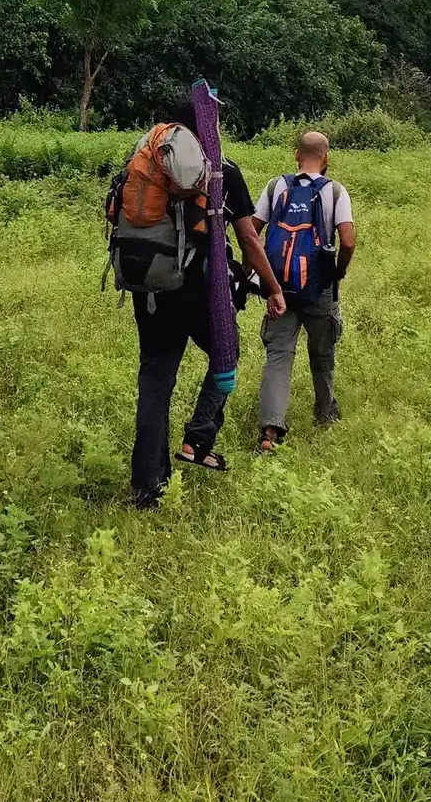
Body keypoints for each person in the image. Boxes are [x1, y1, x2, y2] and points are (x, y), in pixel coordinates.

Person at [131, 99, 285, 508]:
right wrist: (273, 288)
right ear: (207, 126)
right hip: (200, 292)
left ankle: (148, 487)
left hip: (149, 291)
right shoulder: (222, 172)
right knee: (227, 355)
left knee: (155, 382)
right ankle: (198, 438)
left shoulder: (144, 165)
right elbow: (250, 239)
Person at [253, 130, 355, 449]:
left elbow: (251, 234)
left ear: (296, 155)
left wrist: (265, 281)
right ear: (326, 158)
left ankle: (271, 430)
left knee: (279, 355)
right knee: (323, 351)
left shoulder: (275, 186)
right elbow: (348, 241)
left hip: (280, 286)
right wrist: (336, 273)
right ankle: (325, 412)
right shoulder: (335, 192)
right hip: (319, 287)